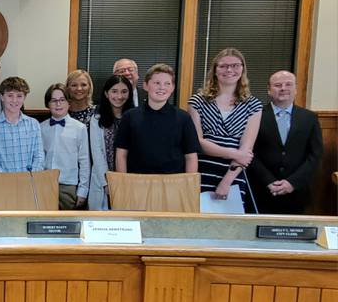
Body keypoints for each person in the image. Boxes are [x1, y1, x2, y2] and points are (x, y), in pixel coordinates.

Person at [188, 48, 262, 213]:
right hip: (202, 173)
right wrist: (234, 153)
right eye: (223, 66)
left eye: (235, 65)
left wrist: (227, 181)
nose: (229, 70)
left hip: (233, 174)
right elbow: (197, 142)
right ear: (215, 70)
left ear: (243, 69)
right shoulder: (197, 101)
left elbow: (246, 149)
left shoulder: (253, 105)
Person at [249, 70, 323, 214]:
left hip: (296, 192)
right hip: (261, 190)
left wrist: (292, 183)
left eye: (288, 84)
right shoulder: (255, 116)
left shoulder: (309, 118)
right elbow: (249, 152)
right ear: (269, 90)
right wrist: (268, 180)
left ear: (295, 89)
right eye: (277, 85)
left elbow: (315, 155)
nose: (283, 88)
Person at [115, 64, 199, 174]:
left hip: (173, 183)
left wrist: (189, 185)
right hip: (137, 182)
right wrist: (123, 183)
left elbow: (191, 156)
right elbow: (121, 153)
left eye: (167, 83)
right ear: (145, 85)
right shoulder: (130, 116)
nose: (162, 87)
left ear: (172, 87)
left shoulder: (183, 118)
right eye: (157, 83)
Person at [88, 75, 135, 210]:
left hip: (130, 178)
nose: (119, 96)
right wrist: (106, 183)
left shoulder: (135, 117)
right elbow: (97, 153)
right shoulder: (97, 118)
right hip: (103, 179)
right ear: (106, 94)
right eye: (114, 91)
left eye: (124, 91)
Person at [40, 83, 89, 210]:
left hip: (68, 185)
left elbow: (84, 161)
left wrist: (83, 190)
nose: (58, 104)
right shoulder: (40, 128)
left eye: (62, 100)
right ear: (47, 104)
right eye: (54, 101)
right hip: (45, 184)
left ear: (69, 103)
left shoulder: (80, 128)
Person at [0, 77, 44, 172]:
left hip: (29, 180)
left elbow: (39, 155)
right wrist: (5, 179)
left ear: (24, 97)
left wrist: (31, 176)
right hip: (2, 181)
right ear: (1, 97)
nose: (14, 100)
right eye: (10, 95)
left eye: (19, 96)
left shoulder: (33, 124)